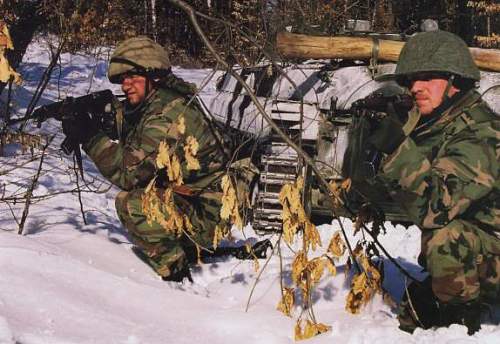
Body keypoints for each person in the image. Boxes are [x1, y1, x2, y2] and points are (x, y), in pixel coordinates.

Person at [64, 36, 246, 282]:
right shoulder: (159, 101)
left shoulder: (169, 114)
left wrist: (91, 137)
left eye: (132, 77)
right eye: (121, 80)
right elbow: (135, 134)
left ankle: (174, 268)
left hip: (209, 212)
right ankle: (185, 246)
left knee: (131, 203)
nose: (125, 86)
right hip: (192, 198)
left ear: (153, 75)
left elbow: (129, 174)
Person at [368, 30, 500, 334]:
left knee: (446, 237)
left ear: (456, 82)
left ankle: (457, 321)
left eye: (428, 77)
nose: (416, 87)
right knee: (415, 310)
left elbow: (434, 207)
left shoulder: (483, 135)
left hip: (487, 245)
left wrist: (396, 147)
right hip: (486, 248)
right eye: (411, 80)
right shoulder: (442, 123)